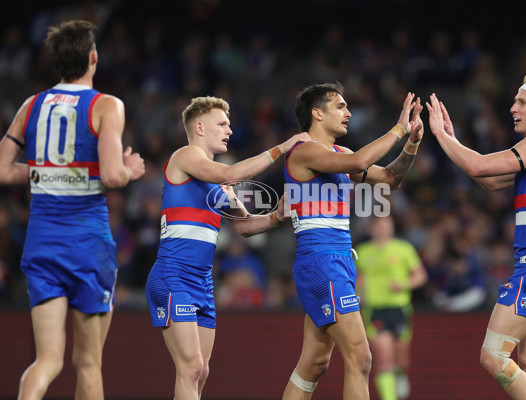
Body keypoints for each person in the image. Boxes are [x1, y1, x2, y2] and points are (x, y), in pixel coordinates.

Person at [0, 20, 146, 400]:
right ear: (93, 58)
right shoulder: (106, 105)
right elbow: (113, 176)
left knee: (47, 361)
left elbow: (1, 169)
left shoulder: (30, 105)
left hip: (42, 241)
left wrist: (50, 170)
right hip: (87, 244)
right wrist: (129, 171)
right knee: (88, 362)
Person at [144, 96, 311, 400]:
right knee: (192, 367)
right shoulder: (185, 156)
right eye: (222, 124)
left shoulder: (217, 185)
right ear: (199, 127)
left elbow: (246, 226)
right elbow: (231, 174)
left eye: (229, 125)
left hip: (202, 282)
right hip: (173, 276)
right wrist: (282, 147)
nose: (229, 130)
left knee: (202, 370)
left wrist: (277, 214)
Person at [427, 74, 526, 399]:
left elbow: (478, 167)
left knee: (492, 356)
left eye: (522, 102)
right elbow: (489, 181)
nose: (513, 108)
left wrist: (441, 136)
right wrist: (454, 141)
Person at [282, 82, 424, 400]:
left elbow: (391, 179)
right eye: (341, 106)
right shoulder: (303, 152)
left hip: (338, 262)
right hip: (322, 262)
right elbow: (360, 162)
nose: (348, 113)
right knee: (361, 359)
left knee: (314, 365)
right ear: (317, 113)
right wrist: (400, 127)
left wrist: (411, 143)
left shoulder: (340, 154)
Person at [355, 215, 427, 400]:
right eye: (378, 225)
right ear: (371, 229)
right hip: (375, 310)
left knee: (402, 360)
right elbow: (358, 279)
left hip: (400, 308)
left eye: (386, 225)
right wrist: (357, 294)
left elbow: (420, 276)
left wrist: (403, 284)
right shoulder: (362, 252)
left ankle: (400, 374)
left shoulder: (403, 249)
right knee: (384, 360)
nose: (382, 229)